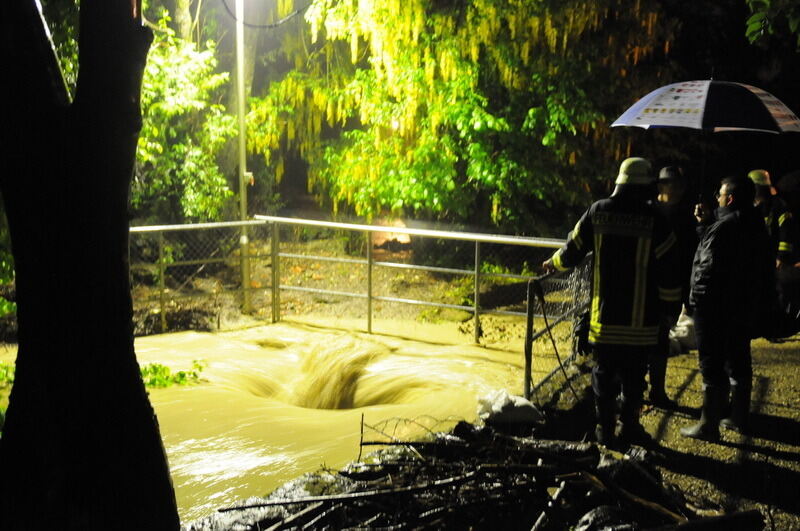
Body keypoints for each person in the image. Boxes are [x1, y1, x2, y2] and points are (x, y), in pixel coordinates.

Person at [542, 157, 680, 447]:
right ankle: (628, 428)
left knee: (602, 379)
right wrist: (668, 312)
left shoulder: (598, 212)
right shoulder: (656, 220)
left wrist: (552, 263)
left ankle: (604, 434)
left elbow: (572, 251)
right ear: (644, 186)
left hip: (603, 321)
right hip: (641, 323)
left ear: (619, 183)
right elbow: (670, 270)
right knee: (633, 379)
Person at [682, 175, 773, 440]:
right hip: (743, 306)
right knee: (738, 359)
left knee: (711, 363)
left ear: (730, 198)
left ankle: (708, 425)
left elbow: (707, 268)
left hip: (714, 308)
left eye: (720, 195)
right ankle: (738, 416)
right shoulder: (755, 224)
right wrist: (706, 226)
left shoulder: (725, 226)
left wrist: (695, 303)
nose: (717, 198)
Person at [649, 165, 697, 407]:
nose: (678, 189)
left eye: (680, 184)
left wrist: (688, 298)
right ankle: (636, 392)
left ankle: (656, 392)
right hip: (646, 288)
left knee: (660, 340)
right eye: (673, 184)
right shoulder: (648, 212)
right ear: (660, 187)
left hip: (671, 291)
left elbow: (690, 258)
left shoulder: (686, 218)